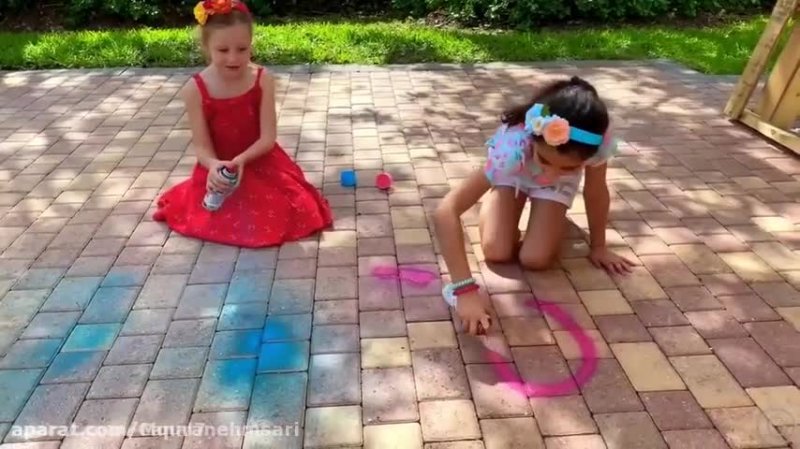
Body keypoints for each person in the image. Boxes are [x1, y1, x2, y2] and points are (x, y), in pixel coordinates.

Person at [434, 76, 635, 335]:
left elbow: (595, 191)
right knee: (496, 251)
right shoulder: (510, 151)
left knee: (536, 259)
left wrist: (599, 247)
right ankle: (501, 194)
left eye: (569, 168)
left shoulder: (594, 146)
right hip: (516, 168)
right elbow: (446, 211)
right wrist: (464, 291)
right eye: (546, 161)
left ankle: (545, 205)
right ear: (533, 136)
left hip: (552, 181)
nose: (551, 173)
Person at [152, 0, 333, 247]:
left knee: (294, 210)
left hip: (260, 161)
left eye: (242, 49)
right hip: (219, 170)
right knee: (214, 215)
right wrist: (214, 166)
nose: (233, 57)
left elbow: (267, 138)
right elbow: (202, 148)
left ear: (251, 45)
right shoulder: (195, 89)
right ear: (206, 47)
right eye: (223, 50)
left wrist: (241, 160)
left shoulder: (262, 79)